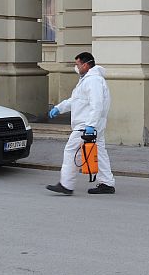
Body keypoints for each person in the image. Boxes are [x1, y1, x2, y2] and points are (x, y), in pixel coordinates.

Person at [46, 52, 115, 195]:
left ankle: (66, 184)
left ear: (85, 65)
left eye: (77, 64)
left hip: (86, 125)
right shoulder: (88, 80)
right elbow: (76, 100)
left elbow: (97, 104)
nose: (76, 67)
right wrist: (59, 108)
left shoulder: (93, 80)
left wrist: (90, 125)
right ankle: (107, 183)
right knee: (100, 152)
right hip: (92, 124)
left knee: (71, 151)